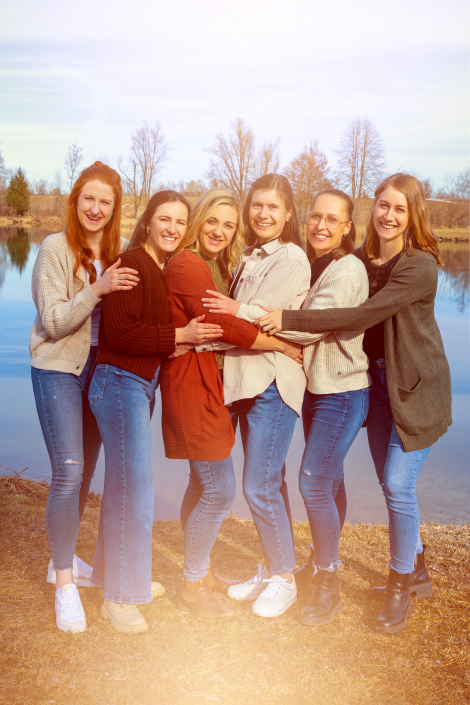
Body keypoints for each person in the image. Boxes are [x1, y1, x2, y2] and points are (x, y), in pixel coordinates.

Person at [256, 173, 452, 633]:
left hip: (415, 389)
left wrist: (286, 319)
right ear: (372, 208)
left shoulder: (419, 266)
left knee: (398, 485)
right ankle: (417, 570)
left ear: (413, 216)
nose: (389, 215)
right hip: (374, 386)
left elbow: (364, 315)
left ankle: (400, 585)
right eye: (383, 205)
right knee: (385, 483)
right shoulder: (360, 260)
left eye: (400, 209)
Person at [160, 189, 304, 621]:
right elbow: (222, 323)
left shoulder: (222, 265)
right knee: (220, 489)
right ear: (197, 221)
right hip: (193, 384)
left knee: (202, 484)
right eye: (212, 221)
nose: (219, 231)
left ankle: (201, 574)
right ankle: (192, 585)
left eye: (228, 225)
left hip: (212, 385)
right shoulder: (188, 264)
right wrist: (280, 344)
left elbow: (232, 318)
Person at [87, 190, 223, 633]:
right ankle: (120, 599)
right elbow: (121, 333)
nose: (172, 228)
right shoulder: (131, 263)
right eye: (164, 219)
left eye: (180, 222)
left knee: (123, 486)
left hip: (136, 385)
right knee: (136, 490)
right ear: (147, 222)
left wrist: (179, 343)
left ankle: (114, 578)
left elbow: (146, 333)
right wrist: (181, 336)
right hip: (118, 382)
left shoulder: (160, 269)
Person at [30, 161, 139, 633]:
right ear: (75, 201)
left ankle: (63, 561)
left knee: (86, 474)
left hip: (103, 372)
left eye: (105, 202)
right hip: (57, 367)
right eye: (88, 199)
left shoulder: (123, 252)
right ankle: (64, 586)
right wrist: (97, 288)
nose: (95, 209)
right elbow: (54, 322)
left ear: (115, 209)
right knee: (69, 472)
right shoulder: (54, 249)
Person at [200, 174, 311, 618]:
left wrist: (229, 315)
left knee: (258, 486)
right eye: (257, 205)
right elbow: (237, 326)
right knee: (271, 481)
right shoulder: (247, 256)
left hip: (272, 384)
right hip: (246, 384)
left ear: (288, 213)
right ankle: (272, 568)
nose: (263, 214)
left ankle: (284, 578)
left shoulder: (291, 258)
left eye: (273, 207)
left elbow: (264, 321)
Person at [259, 189, 371, 626]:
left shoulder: (347, 269)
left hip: (341, 394)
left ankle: (329, 584)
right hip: (318, 392)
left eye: (332, 219)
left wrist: (251, 318)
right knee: (331, 482)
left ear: (347, 227)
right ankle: (319, 563)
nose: (321, 225)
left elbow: (310, 328)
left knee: (312, 484)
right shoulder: (310, 262)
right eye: (315, 217)